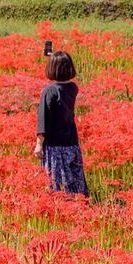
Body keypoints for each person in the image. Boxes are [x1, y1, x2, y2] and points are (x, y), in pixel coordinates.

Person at [33, 50, 89, 196]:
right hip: (71, 142)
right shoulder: (72, 88)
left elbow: (43, 119)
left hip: (55, 146)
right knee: (73, 178)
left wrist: (39, 144)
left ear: (52, 68)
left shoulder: (50, 91)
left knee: (58, 182)